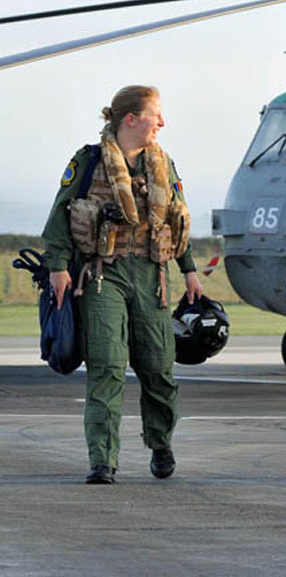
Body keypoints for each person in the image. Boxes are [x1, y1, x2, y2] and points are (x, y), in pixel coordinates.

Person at [42, 85, 202, 484]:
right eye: (155, 115)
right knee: (107, 367)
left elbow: (177, 217)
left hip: (152, 276)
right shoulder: (89, 161)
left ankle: (160, 442)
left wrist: (189, 269)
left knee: (158, 368)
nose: (162, 122)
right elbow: (59, 217)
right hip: (102, 275)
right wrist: (58, 267)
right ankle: (102, 459)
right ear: (131, 119)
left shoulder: (163, 164)